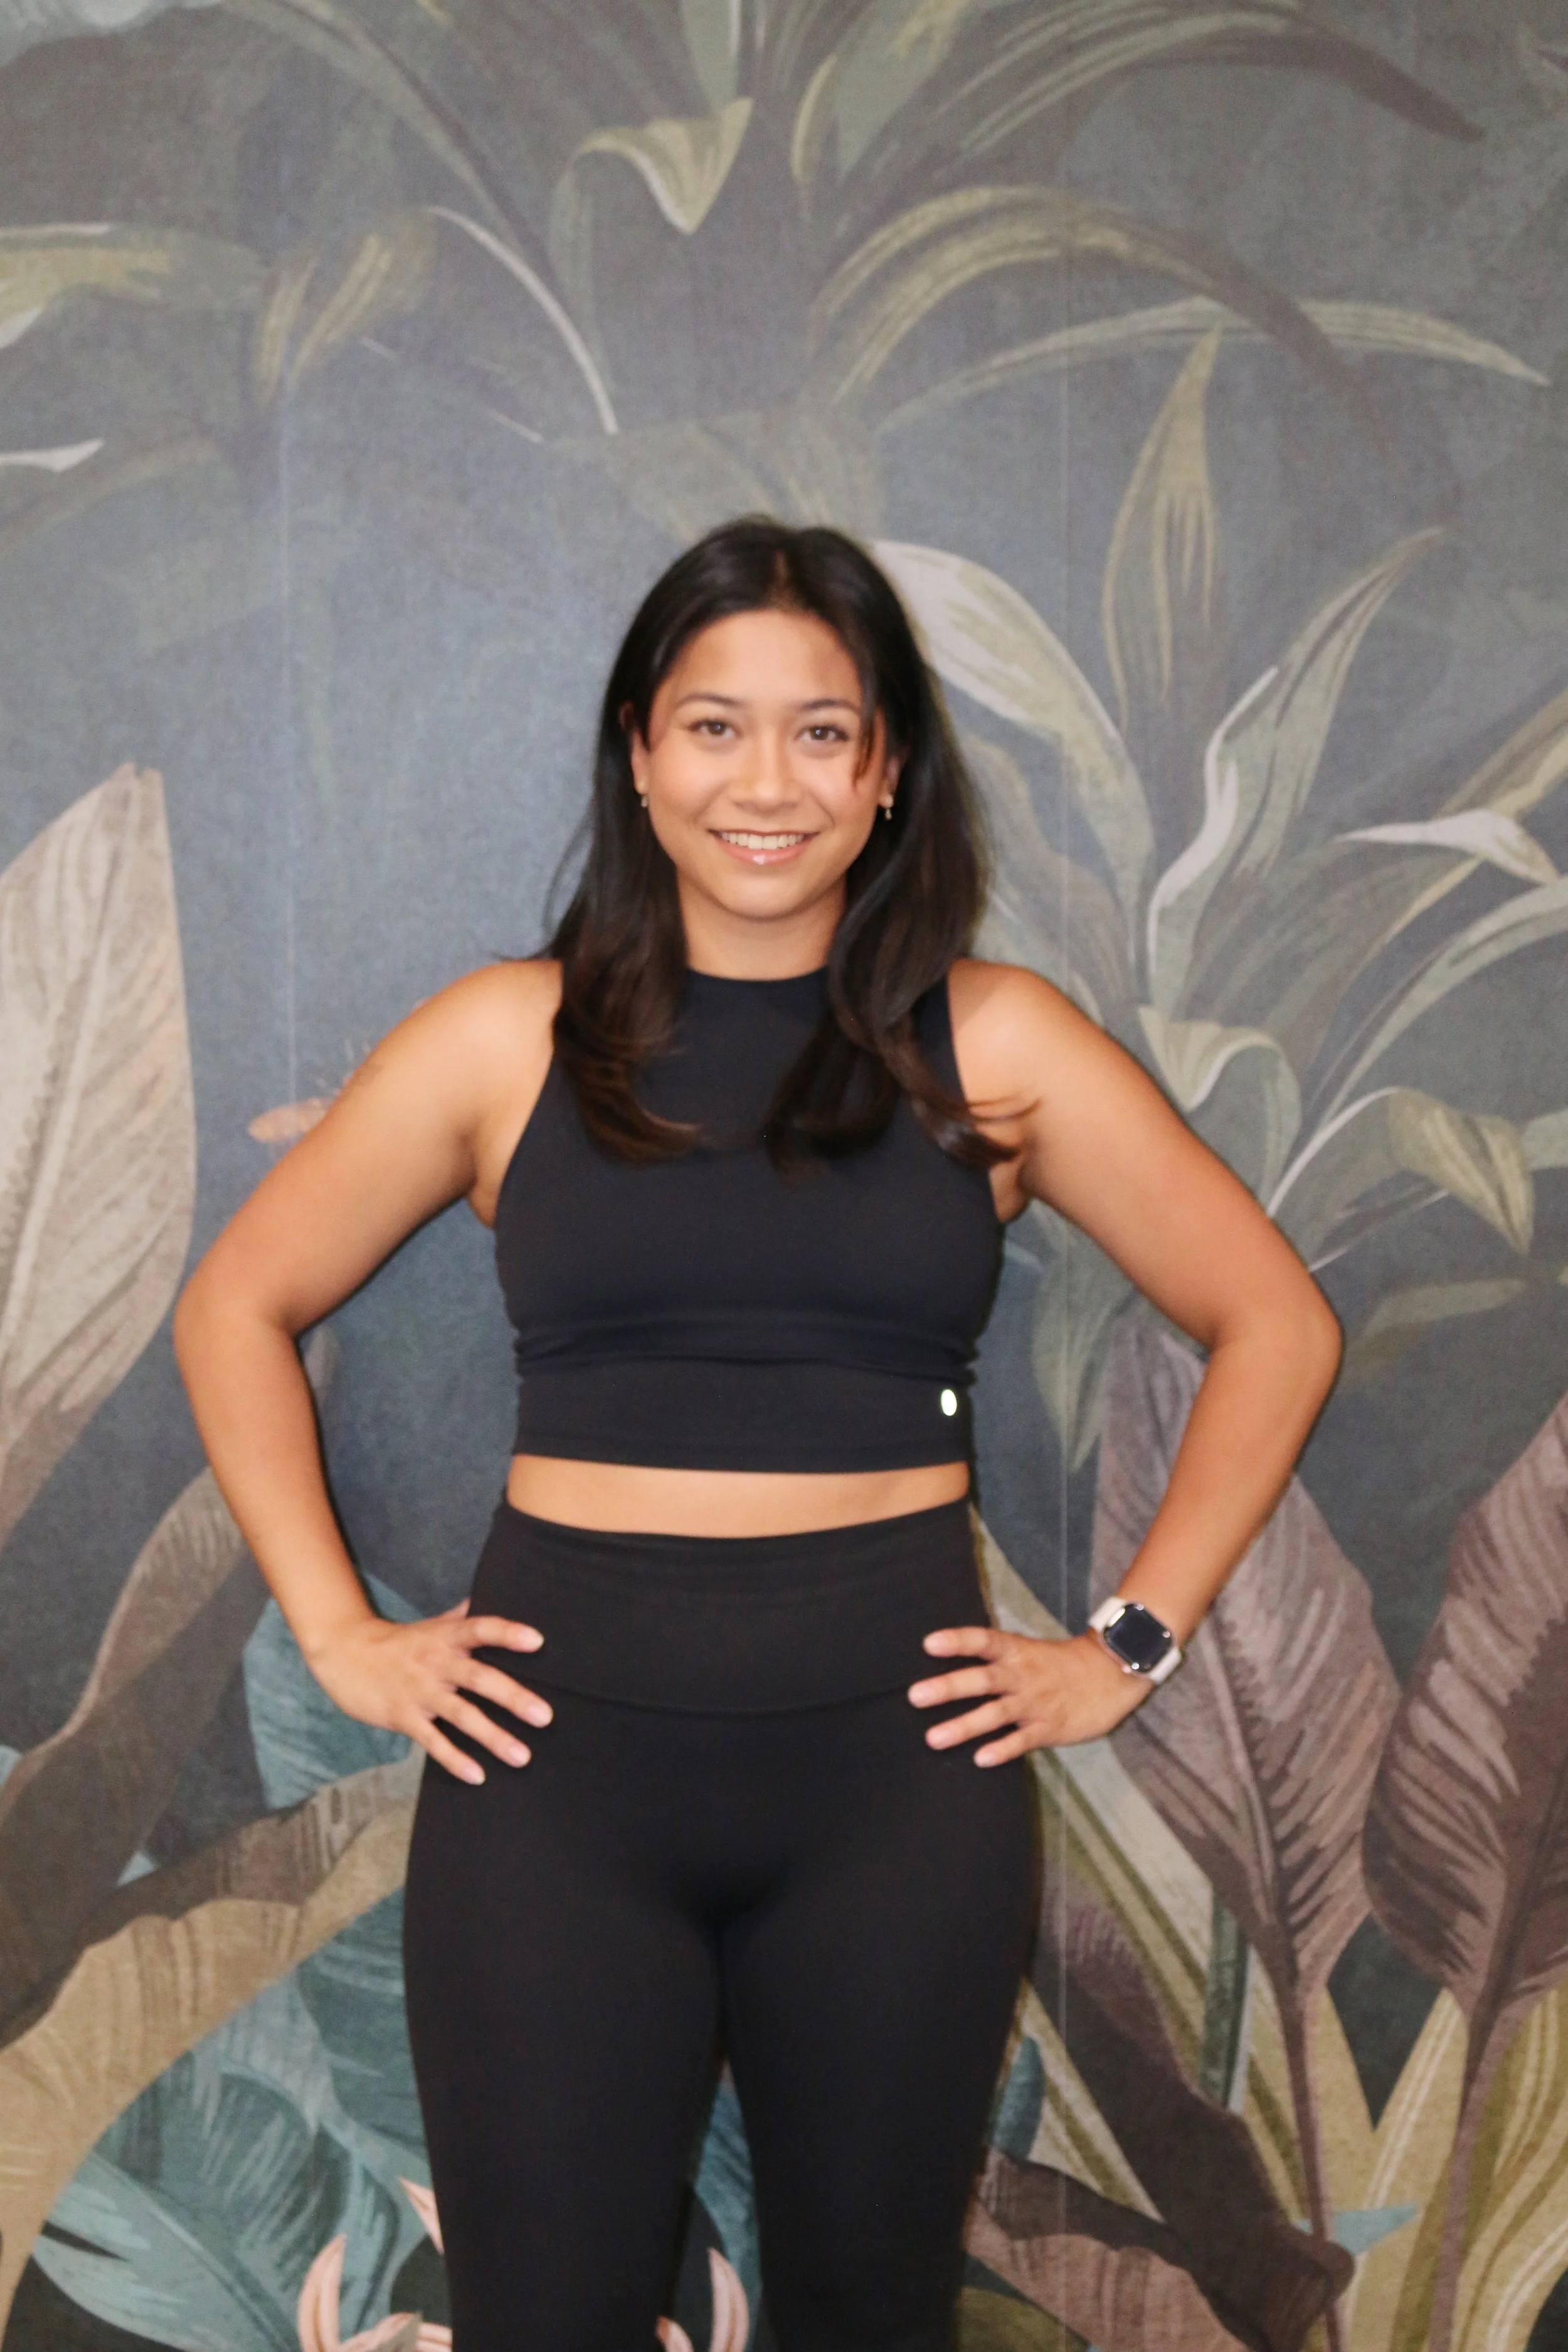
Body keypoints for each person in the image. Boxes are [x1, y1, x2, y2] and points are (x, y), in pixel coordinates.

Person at [173, 517, 1341, 2352]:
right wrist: (337, 1629)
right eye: (714, 726)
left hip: (890, 1788)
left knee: (869, 2320)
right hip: (558, 1785)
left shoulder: (999, 1041)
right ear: (640, 754)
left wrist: (1128, 1640)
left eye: (821, 731)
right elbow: (235, 1301)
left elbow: (1273, 1317)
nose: (764, 780)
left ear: (884, 774)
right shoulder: (507, 1038)